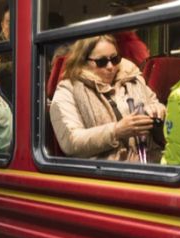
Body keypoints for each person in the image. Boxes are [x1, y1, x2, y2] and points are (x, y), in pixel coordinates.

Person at [49, 34, 165, 162]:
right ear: (83, 61)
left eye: (115, 59)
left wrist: (158, 110)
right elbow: (71, 142)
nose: (110, 67)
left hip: (151, 162)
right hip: (107, 171)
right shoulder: (68, 90)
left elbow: (155, 104)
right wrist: (116, 131)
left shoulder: (133, 78)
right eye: (101, 62)